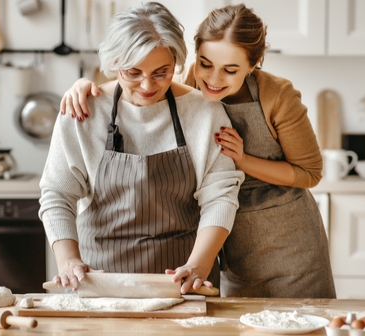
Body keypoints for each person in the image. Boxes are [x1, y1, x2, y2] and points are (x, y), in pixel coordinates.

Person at [59, 3, 336, 298]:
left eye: (230, 70)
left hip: (286, 241)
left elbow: (310, 173)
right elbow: (143, 79)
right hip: (227, 241)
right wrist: (86, 87)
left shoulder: (276, 97)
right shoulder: (188, 85)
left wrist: (242, 160)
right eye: (205, 63)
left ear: (254, 65)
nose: (214, 79)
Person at [39, 2, 244, 295]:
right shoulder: (84, 111)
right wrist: (68, 260)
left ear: (177, 62)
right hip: (100, 281)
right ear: (113, 64)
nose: (148, 85)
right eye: (133, 73)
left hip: (184, 282)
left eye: (162, 72)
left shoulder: (204, 112)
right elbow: (58, 193)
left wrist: (199, 264)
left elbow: (220, 195)